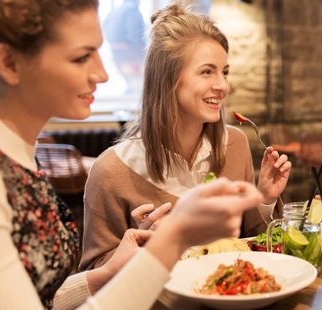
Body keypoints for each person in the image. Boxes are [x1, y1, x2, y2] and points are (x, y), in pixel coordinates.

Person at [0, 0, 263, 309]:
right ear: (9, 63)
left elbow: (39, 296)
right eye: (82, 56)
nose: (102, 74)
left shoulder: (16, 158)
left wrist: (107, 274)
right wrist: (173, 239)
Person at [79, 3, 291, 270]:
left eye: (224, 72)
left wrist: (265, 198)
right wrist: (147, 245)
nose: (222, 85)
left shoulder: (235, 144)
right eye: (206, 71)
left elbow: (255, 245)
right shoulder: (110, 171)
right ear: (167, 79)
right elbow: (92, 275)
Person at [103, 0, 146, 94]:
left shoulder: (115, 10)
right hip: (129, 53)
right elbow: (135, 33)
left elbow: (104, 27)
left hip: (116, 53)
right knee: (137, 85)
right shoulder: (132, 9)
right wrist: (142, 53)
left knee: (130, 80)